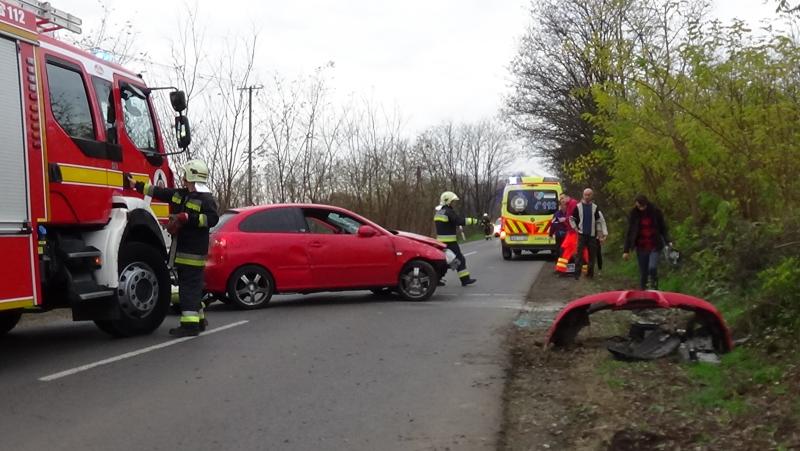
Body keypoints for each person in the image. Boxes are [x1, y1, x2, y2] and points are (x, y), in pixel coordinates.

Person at [126, 160, 219, 337]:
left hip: (193, 252)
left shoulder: (206, 199)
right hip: (183, 250)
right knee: (192, 286)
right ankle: (198, 320)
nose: (183, 178)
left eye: (185, 176)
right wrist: (136, 185)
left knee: (187, 288)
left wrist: (187, 218)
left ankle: (189, 326)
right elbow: (160, 192)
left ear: (192, 176)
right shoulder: (181, 194)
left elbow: (212, 219)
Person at [623, 194, 671, 290]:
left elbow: (663, 228)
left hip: (654, 245)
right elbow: (630, 232)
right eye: (639, 206)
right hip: (641, 247)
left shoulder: (656, 212)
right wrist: (626, 250)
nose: (641, 208)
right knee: (643, 272)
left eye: (643, 206)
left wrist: (668, 241)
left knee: (652, 268)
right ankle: (643, 291)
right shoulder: (634, 214)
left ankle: (654, 287)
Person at [434, 191, 477, 286]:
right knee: (460, 259)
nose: (454, 203)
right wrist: (473, 220)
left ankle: (436, 279)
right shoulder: (449, 212)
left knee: (444, 261)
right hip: (450, 242)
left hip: (440, 242)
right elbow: (459, 221)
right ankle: (465, 280)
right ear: (448, 201)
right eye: (453, 201)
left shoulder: (439, 212)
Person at [569, 188, 607, 280]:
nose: (587, 196)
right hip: (581, 234)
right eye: (585, 195)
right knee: (579, 254)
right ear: (583, 195)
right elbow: (571, 218)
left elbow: (598, 221)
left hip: (592, 235)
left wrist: (600, 234)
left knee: (592, 255)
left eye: (589, 195)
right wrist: (575, 228)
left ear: (592, 196)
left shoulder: (595, 207)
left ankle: (590, 274)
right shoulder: (578, 207)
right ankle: (577, 274)